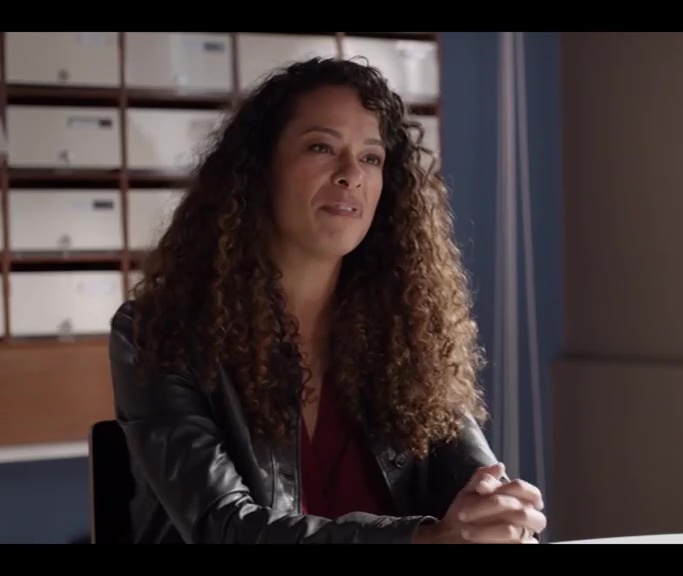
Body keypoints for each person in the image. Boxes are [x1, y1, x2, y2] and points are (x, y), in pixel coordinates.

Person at [108, 57, 547, 544]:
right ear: (259, 169)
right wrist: (425, 540)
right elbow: (223, 528)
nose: (351, 174)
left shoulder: (405, 331)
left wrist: (499, 516)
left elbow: (477, 489)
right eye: (321, 147)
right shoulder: (160, 331)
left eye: (371, 158)